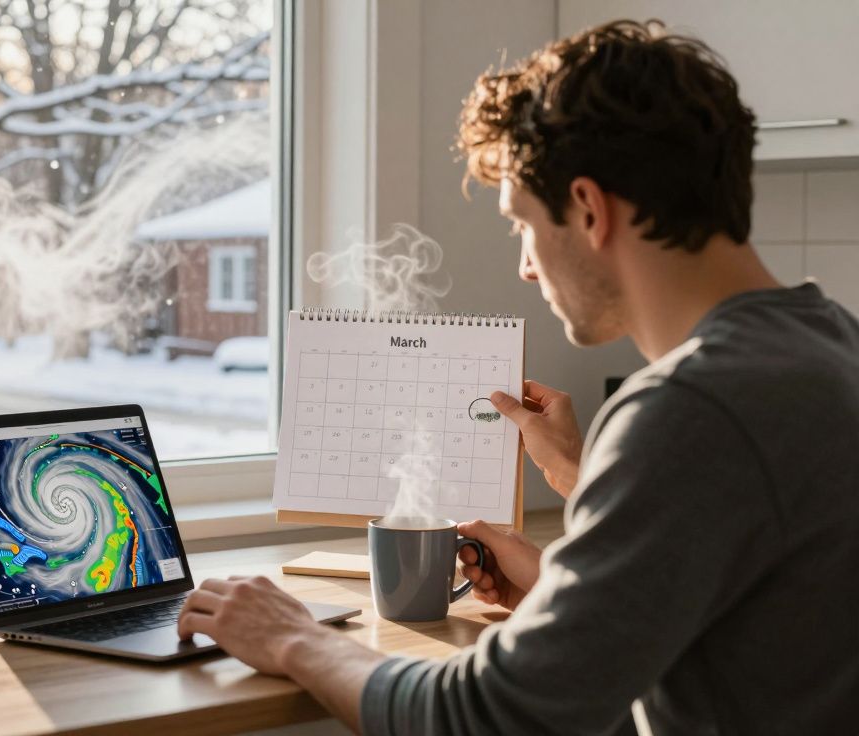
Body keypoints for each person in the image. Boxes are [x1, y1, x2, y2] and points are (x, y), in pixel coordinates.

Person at [176, 19, 859, 735]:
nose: (527, 266)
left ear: (590, 210)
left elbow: (488, 719)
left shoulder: (694, 406)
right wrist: (564, 579)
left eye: (523, 224)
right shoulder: (828, 341)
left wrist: (294, 637)